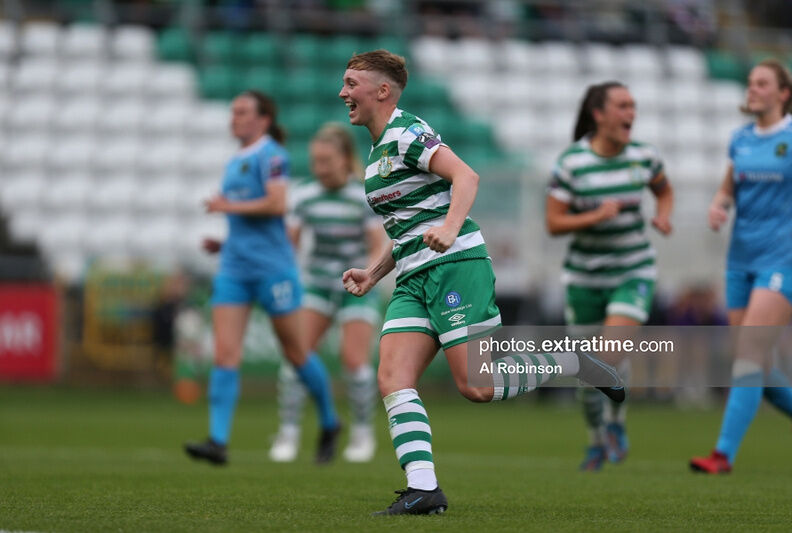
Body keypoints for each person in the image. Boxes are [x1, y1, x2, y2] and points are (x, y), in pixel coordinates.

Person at [338, 50, 625, 516]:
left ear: (382, 91)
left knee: (476, 386)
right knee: (392, 377)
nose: (342, 92)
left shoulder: (407, 133)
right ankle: (424, 489)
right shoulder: (375, 155)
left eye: (352, 83)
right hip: (413, 278)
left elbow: (465, 176)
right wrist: (373, 273)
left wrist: (450, 228)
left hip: (455, 265)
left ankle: (574, 363)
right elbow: (409, 225)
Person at [183, 90, 340, 465]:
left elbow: (276, 203)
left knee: (296, 352)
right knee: (224, 354)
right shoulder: (234, 160)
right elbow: (251, 220)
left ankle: (330, 421)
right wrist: (224, 244)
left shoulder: (272, 155)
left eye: (242, 112)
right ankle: (218, 441)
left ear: (263, 119)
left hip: (273, 270)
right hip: (235, 268)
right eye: (233, 111)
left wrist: (226, 206)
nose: (233, 118)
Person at [546, 82, 674, 471]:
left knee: (610, 353)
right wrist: (594, 216)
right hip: (584, 277)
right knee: (588, 372)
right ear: (599, 114)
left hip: (633, 269)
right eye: (622, 106)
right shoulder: (572, 163)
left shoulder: (644, 157)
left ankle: (617, 423)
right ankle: (596, 439)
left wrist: (663, 215)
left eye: (633, 106)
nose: (630, 113)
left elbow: (664, 192)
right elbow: (553, 223)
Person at [690, 60, 792, 474]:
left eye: (761, 83)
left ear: (783, 93)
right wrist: (719, 207)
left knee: (749, 358)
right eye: (750, 82)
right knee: (758, 364)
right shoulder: (740, 139)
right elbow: (727, 189)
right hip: (740, 260)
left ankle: (722, 455)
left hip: (784, 259)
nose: (751, 89)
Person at [269, 123, 386, 463]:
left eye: (326, 161)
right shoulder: (303, 195)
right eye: (315, 161)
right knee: (297, 356)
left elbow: (376, 245)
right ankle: (288, 432)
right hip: (317, 282)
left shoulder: (362, 195)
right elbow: (288, 246)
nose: (319, 168)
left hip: (357, 286)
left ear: (344, 159)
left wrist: (365, 278)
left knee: (354, 360)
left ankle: (363, 432)